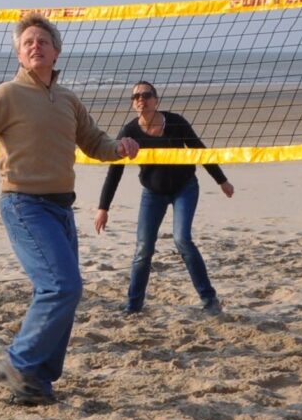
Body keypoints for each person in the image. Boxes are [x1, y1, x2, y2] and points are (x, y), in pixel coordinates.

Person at [0, 14, 138, 405]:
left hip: (62, 207)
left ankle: (36, 382)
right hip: (23, 204)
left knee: (60, 293)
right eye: (28, 42)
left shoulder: (68, 99)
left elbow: (95, 142)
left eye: (42, 41)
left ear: (56, 51)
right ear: (19, 53)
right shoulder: (7, 95)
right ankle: (18, 362)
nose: (36, 46)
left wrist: (119, 148)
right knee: (62, 286)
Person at [93, 81, 234, 315]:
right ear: (133, 104)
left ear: (156, 100)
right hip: (153, 193)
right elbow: (114, 170)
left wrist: (222, 180)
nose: (141, 99)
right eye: (136, 97)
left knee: (182, 240)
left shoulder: (175, 122)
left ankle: (210, 301)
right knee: (143, 249)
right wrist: (103, 207)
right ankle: (134, 306)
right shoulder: (129, 131)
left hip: (184, 188)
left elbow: (200, 150)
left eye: (146, 95)